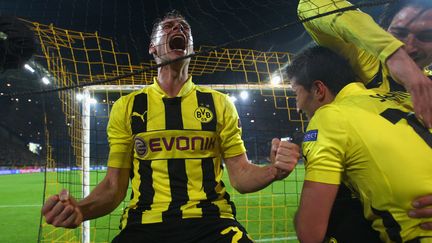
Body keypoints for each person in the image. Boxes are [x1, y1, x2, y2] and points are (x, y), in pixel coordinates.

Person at [41, 10, 300, 243]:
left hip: (212, 222)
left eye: (184, 28)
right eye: (168, 27)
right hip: (145, 224)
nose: (178, 30)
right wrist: (81, 209)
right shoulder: (128, 106)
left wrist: (274, 171)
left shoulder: (218, 104)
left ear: (191, 48)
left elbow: (241, 176)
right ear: (153, 47)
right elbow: (113, 186)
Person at [297, 0, 432, 240]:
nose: (409, 46)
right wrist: (392, 53)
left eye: (425, 36)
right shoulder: (367, 65)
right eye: (399, 33)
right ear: (380, 30)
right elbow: (311, 5)